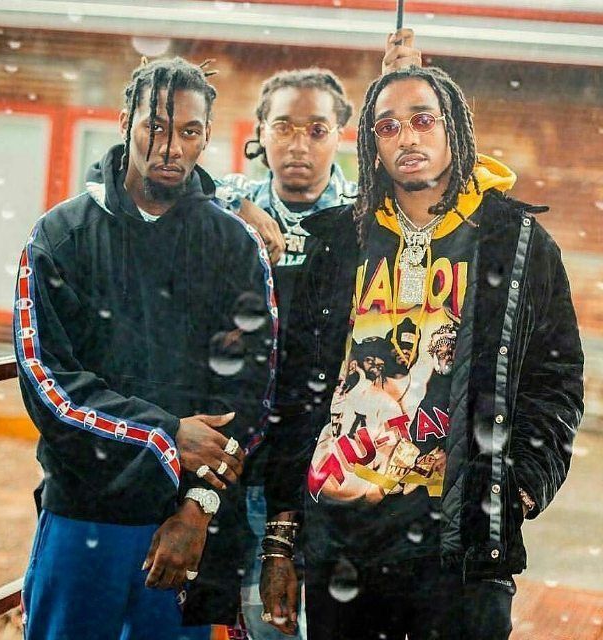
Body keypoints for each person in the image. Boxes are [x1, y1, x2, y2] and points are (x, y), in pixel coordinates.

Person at [261, 65, 584, 639]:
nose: (407, 137)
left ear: (453, 128)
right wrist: (282, 538)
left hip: (460, 543)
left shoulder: (515, 241)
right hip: (344, 540)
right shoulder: (337, 239)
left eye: (422, 119)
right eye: (387, 126)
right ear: (371, 145)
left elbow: (556, 378)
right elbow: (297, 390)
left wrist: (525, 486)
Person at [14, 56, 276, 640]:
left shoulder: (235, 246)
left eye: (188, 131)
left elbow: (252, 395)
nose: (170, 147)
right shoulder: (61, 236)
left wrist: (197, 508)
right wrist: (164, 432)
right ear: (125, 122)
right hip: (85, 515)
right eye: (155, 127)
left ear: (207, 135)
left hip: (190, 523)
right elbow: (48, 384)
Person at [214, 31, 421, 639]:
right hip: (249, 446)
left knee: (333, 616)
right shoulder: (226, 206)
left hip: (340, 450)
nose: (298, 143)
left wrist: (401, 92)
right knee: (259, 618)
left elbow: (434, 190)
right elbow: (129, 177)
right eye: (283, 127)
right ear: (259, 133)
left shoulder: (367, 218)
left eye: (317, 129)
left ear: (343, 138)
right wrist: (232, 208)